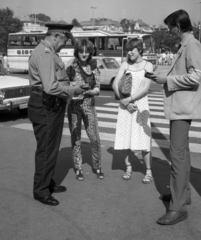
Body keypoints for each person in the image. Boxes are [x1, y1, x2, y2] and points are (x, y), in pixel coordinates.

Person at [147, 10, 201, 225]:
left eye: (170, 27)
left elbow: (195, 77)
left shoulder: (192, 45)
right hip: (180, 107)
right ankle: (183, 194)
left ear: (178, 27)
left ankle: (178, 207)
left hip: (183, 107)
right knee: (182, 154)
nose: (169, 32)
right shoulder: (186, 44)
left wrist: (167, 80)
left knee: (178, 157)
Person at [28, 23, 85, 206]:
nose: (64, 45)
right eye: (64, 40)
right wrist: (73, 90)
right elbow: (51, 87)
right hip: (46, 105)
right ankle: (41, 190)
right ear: (55, 36)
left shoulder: (50, 52)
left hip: (50, 105)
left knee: (51, 147)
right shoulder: (45, 53)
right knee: (46, 149)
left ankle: (47, 181)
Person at [113, 38, 153, 183]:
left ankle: (148, 171)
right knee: (126, 137)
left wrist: (128, 100)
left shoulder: (148, 65)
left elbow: (145, 88)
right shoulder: (125, 64)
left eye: (132, 50)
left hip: (141, 106)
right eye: (128, 50)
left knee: (144, 138)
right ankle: (128, 167)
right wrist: (124, 102)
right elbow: (115, 84)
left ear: (140, 50)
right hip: (125, 107)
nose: (129, 52)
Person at [66, 39, 104, 181]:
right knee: (75, 138)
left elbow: (97, 89)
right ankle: (78, 168)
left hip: (89, 104)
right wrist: (74, 89)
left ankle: (97, 165)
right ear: (77, 52)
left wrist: (90, 91)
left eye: (86, 51)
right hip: (74, 106)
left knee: (94, 137)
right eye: (81, 51)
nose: (84, 54)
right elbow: (65, 86)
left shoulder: (94, 68)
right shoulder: (71, 67)